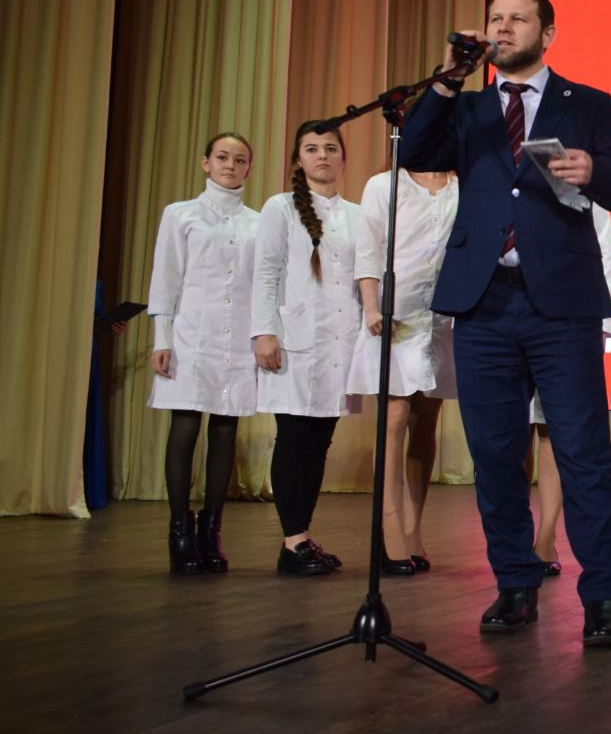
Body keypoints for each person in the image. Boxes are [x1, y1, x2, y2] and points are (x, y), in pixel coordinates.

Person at [399, 0, 611, 646]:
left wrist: (593, 170)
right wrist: (446, 82)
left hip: (560, 305)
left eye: (517, 19)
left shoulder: (587, 103)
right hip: (483, 304)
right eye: (495, 19)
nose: (503, 28)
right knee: (495, 454)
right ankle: (514, 584)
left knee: (583, 452)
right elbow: (414, 152)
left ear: (548, 33)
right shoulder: (468, 105)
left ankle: (604, 596)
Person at [253, 122, 362, 576]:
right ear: (298, 159)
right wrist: (264, 331)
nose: (322, 156)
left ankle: (300, 539)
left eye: (331, 148)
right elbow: (265, 271)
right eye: (312, 148)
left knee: (320, 442)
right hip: (293, 338)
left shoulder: (357, 215)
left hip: (341, 341)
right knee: (294, 436)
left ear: (343, 159)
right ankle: (292, 539)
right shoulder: (280, 207)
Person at [148, 133, 260, 574]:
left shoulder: (257, 223)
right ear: (205, 163)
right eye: (222, 157)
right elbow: (166, 278)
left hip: (238, 337)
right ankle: (180, 530)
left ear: (249, 167)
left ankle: (211, 531)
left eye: (240, 159)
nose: (230, 165)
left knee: (226, 430)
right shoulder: (180, 214)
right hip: (192, 335)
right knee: (185, 425)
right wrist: (162, 337)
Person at [346, 166, 459, 576]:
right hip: (396, 316)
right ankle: (388, 527)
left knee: (425, 422)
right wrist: (371, 306)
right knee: (394, 418)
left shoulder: (460, 186)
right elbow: (369, 249)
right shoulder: (385, 184)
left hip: (442, 318)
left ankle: (413, 530)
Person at [528, 206, 611, 576]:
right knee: (510, 431)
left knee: (552, 429)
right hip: (503, 314)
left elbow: (604, 254)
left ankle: (546, 536)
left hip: (566, 318)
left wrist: (599, 323)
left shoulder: (575, 181)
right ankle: (517, 542)